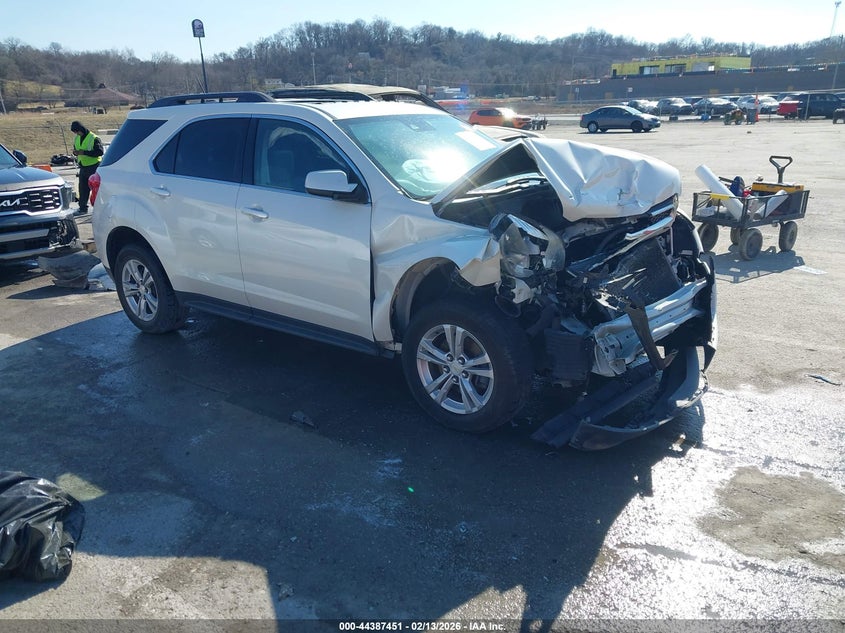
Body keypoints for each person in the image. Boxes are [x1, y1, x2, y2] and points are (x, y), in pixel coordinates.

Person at [70, 121, 103, 215]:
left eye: (77, 131)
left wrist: (84, 152)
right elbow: (77, 148)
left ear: (81, 129)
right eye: (75, 132)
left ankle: (100, 209)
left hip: (94, 166)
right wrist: (75, 152)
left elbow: (100, 152)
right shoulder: (77, 138)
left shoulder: (94, 138)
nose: (77, 134)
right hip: (83, 166)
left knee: (96, 189)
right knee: (83, 189)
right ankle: (83, 208)